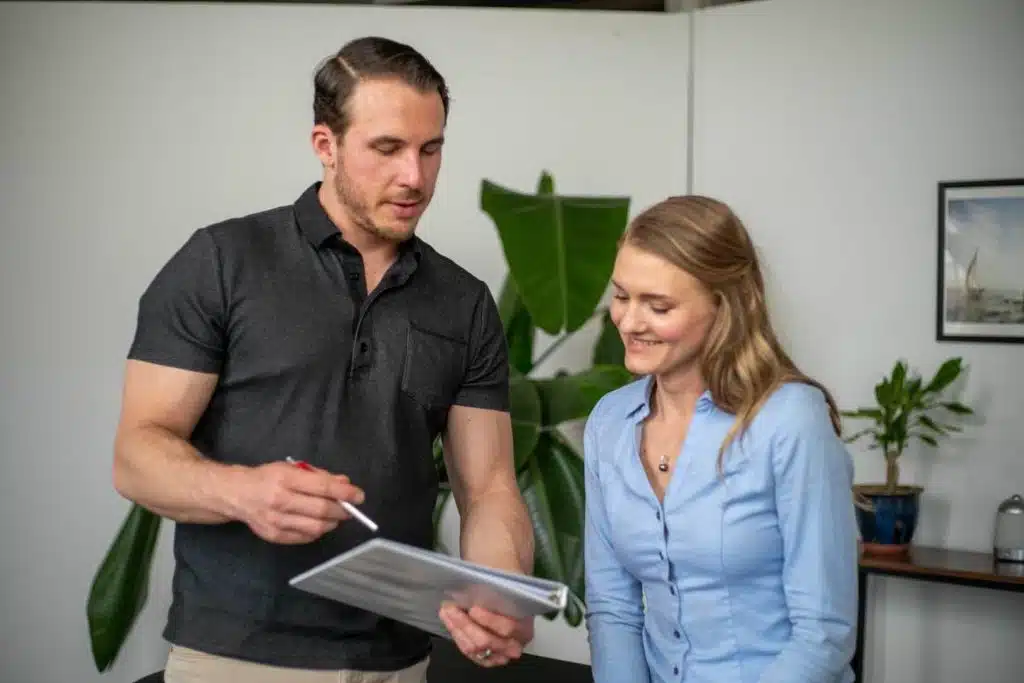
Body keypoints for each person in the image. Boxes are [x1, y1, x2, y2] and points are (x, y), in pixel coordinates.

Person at [112, 36, 534, 683]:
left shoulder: (463, 301)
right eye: (387, 149)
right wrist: (243, 492)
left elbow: (490, 487)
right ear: (325, 145)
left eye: (431, 149)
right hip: (238, 655)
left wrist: (498, 592)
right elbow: (137, 456)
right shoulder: (222, 262)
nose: (415, 177)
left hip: (399, 660)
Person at [582, 195, 858, 683]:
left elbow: (822, 634)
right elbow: (612, 608)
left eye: (658, 306)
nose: (629, 321)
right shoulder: (610, 422)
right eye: (622, 296)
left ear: (723, 305)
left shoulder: (791, 421)